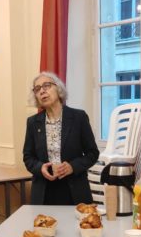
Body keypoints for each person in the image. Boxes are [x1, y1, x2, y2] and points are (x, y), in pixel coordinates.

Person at [23, 72, 99, 205]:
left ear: (58, 89)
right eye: (37, 89)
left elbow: (92, 153)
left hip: (74, 190)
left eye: (47, 85)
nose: (42, 91)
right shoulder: (33, 122)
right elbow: (28, 157)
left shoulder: (78, 117)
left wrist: (72, 166)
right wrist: (40, 168)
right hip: (43, 191)